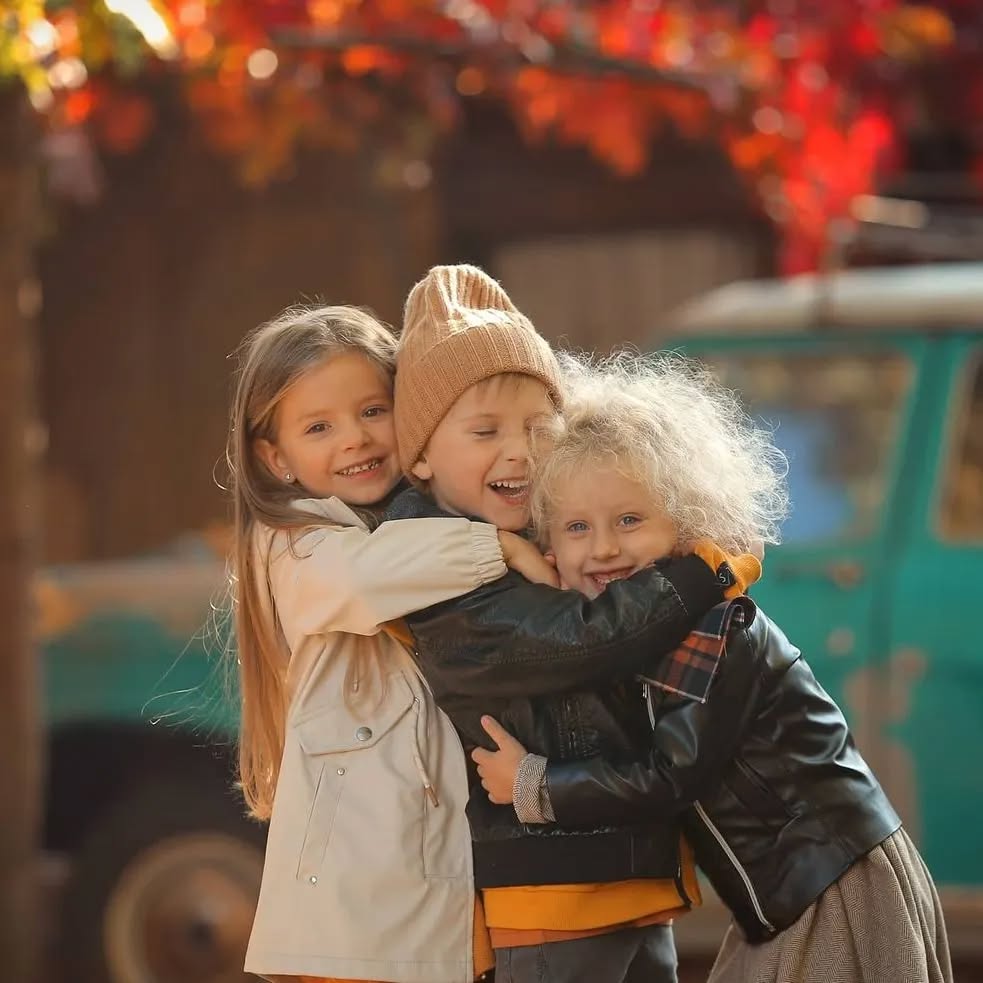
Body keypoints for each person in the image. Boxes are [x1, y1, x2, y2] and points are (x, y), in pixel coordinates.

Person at [473, 352, 953, 983]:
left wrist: (534, 785)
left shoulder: (714, 628)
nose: (605, 547)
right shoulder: (647, 629)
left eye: (629, 520)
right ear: (551, 545)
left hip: (829, 877)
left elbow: (670, 775)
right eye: (577, 527)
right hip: (789, 884)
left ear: (687, 523)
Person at [386, 265, 762, 983]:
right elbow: (582, 639)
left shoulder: (536, 535)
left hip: (625, 874)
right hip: (552, 890)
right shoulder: (438, 571)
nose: (520, 450)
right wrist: (698, 575)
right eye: (486, 430)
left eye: (539, 426)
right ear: (422, 457)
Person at [229, 303, 554, 983]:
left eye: (373, 411)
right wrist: (497, 545)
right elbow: (364, 577)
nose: (355, 438)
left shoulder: (420, 525)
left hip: (436, 896)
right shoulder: (290, 544)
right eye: (319, 427)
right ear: (275, 457)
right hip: (353, 909)